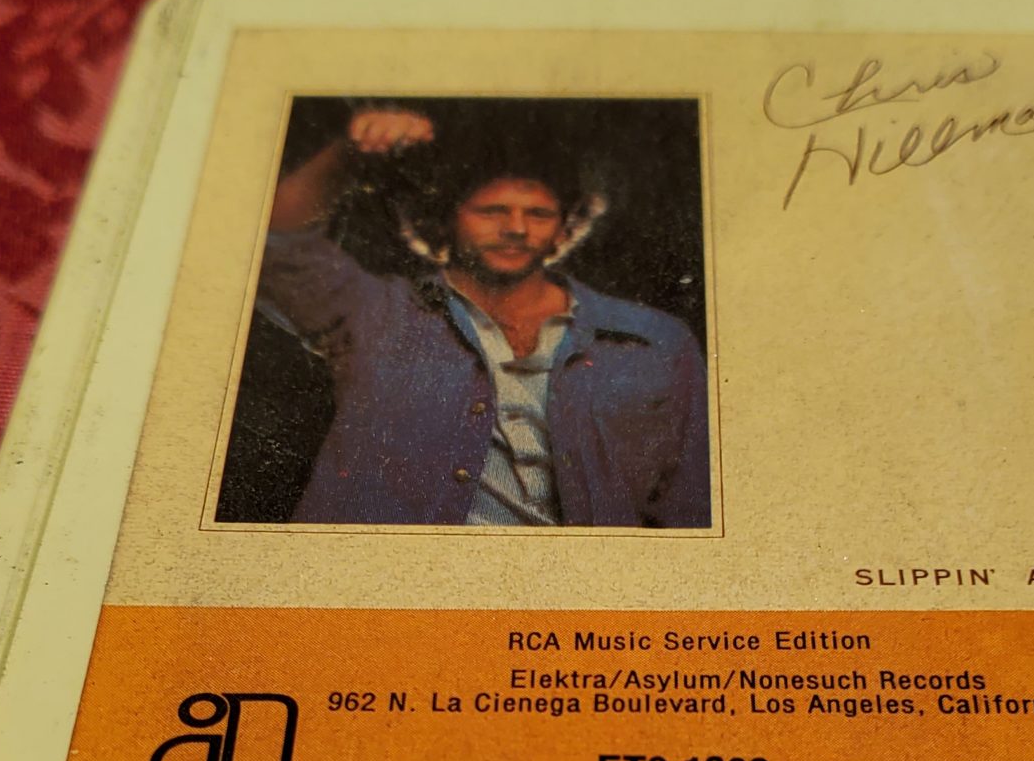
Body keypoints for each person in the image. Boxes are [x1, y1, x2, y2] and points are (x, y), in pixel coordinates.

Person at [251, 106, 711, 527]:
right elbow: (268, 245)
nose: (516, 228)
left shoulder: (655, 340)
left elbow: (692, 510)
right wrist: (349, 154)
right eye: (492, 211)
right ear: (444, 219)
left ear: (564, 227)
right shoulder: (377, 314)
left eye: (538, 213)